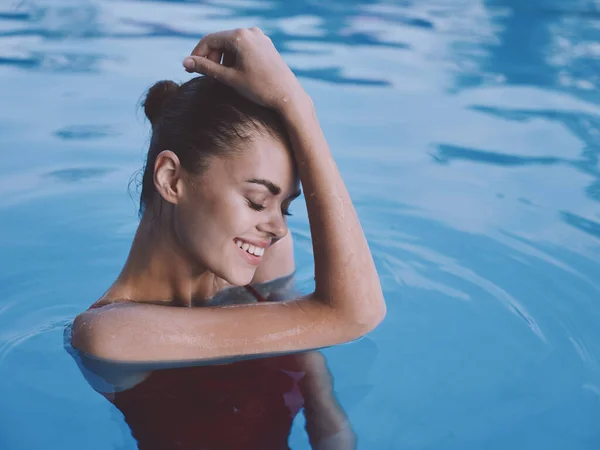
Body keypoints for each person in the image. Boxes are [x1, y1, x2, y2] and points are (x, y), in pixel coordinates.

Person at [68, 27, 386, 450]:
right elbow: (352, 314)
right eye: (257, 201)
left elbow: (311, 345)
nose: (278, 227)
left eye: (285, 206)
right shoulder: (110, 334)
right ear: (171, 179)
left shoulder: (255, 259)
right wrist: (298, 106)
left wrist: (328, 422)